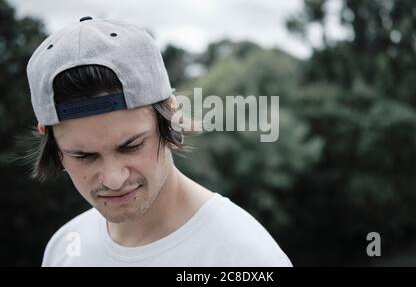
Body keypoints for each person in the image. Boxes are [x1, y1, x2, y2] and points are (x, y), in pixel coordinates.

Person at [25, 16, 292, 267]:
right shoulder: (65, 249)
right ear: (51, 142)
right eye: (84, 156)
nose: (113, 179)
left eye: (131, 145)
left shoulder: (243, 257)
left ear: (171, 116)